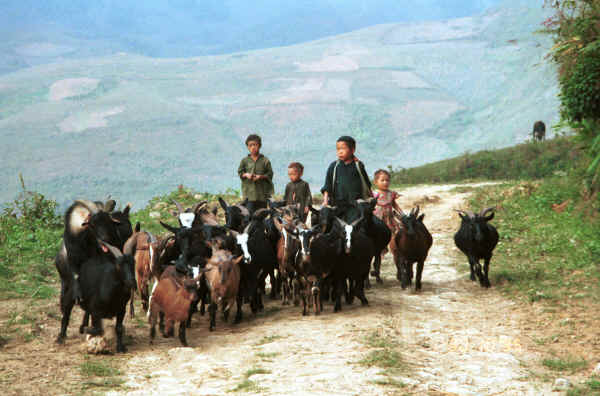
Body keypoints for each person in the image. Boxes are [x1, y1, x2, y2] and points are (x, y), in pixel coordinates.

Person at [321, 135, 372, 223]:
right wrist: (325, 202)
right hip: (337, 204)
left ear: (352, 150)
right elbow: (327, 186)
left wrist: (370, 199)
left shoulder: (358, 166)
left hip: (355, 205)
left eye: (343, 149)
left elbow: (366, 184)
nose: (340, 152)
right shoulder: (334, 166)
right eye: (338, 149)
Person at [237, 134, 274, 214]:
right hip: (249, 195)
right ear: (247, 147)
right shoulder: (245, 161)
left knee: (262, 215)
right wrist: (246, 175)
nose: (253, 147)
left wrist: (260, 177)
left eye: (255, 145)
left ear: (259, 146)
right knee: (249, 215)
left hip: (262, 195)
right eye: (250, 145)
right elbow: (240, 172)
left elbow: (270, 174)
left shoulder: (265, 161)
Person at [372, 169, 402, 256]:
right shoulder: (374, 194)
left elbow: (394, 205)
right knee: (379, 237)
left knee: (393, 236)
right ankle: (380, 254)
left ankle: (396, 252)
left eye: (387, 180)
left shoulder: (391, 194)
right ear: (376, 182)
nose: (385, 182)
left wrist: (402, 214)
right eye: (382, 180)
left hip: (389, 219)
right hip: (378, 219)